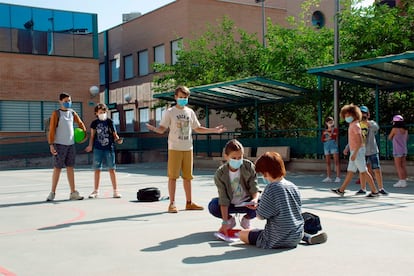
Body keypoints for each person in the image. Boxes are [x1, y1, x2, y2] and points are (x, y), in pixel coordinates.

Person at [146, 85, 227, 213]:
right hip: (174, 148)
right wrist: (155, 129)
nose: (183, 99)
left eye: (185, 97)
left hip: (188, 148)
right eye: (181, 97)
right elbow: (162, 128)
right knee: (173, 177)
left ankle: (189, 202)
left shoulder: (190, 112)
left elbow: (197, 128)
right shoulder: (170, 112)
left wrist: (214, 130)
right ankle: (172, 203)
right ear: (175, 97)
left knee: (188, 177)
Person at [238, 152, 328, 248]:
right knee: (289, 226)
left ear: (267, 172)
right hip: (296, 236)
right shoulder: (293, 187)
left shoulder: (271, 188)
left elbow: (261, 216)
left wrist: (256, 208)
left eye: (263, 173)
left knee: (242, 234)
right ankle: (307, 237)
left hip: (275, 239)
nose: (263, 176)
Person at [208, 139, 260, 235]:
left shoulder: (248, 166)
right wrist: (224, 222)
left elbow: (254, 187)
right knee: (213, 206)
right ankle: (229, 220)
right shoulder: (220, 173)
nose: (237, 160)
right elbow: (223, 198)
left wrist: (255, 200)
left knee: (262, 202)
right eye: (234, 158)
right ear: (226, 157)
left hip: (246, 203)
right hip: (230, 204)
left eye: (240, 157)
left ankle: (246, 220)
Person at [331, 104, 379, 198]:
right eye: (345, 115)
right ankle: (341, 190)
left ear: (354, 114)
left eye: (348, 115)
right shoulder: (353, 124)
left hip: (357, 151)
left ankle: (374, 191)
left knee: (364, 171)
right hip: (355, 151)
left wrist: (355, 153)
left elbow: (360, 140)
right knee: (351, 171)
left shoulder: (355, 125)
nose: (346, 117)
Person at [46, 92, 86, 201]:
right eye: (65, 101)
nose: (68, 102)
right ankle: (52, 193)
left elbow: (81, 124)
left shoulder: (72, 113)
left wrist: (83, 134)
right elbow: (52, 129)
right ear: (60, 102)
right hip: (59, 145)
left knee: (70, 168)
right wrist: (51, 144)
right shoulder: (56, 113)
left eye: (69, 100)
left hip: (70, 145)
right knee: (57, 168)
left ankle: (73, 192)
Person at [85, 103, 123, 198]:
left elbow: (115, 134)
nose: (103, 113)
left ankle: (115, 191)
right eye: (101, 112)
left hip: (109, 148)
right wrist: (90, 145)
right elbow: (92, 136)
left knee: (112, 169)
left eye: (104, 112)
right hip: (98, 148)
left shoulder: (110, 122)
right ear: (96, 113)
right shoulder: (94, 123)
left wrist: (118, 140)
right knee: (97, 169)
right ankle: (95, 191)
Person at [356, 106, 388, 195]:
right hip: (362, 151)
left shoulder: (371, 123)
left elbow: (376, 128)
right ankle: (363, 188)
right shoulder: (357, 125)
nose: (363, 115)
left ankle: (381, 188)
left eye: (364, 113)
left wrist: (366, 123)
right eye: (361, 113)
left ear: (368, 114)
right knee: (362, 170)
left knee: (376, 169)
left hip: (373, 150)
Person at [388, 114, 408, 188]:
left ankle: (401, 181)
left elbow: (389, 137)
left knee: (398, 166)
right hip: (404, 149)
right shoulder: (405, 130)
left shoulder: (395, 129)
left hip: (397, 150)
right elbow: (406, 139)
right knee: (403, 166)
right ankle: (404, 180)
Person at [321, 116, 341, 183]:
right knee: (327, 162)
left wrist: (328, 134)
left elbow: (334, 136)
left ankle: (338, 177)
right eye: (329, 122)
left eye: (332, 122)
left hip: (333, 146)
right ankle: (328, 177)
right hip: (326, 146)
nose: (331, 123)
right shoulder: (324, 130)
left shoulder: (335, 129)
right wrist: (327, 137)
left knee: (336, 161)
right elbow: (322, 139)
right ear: (326, 123)